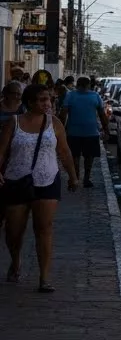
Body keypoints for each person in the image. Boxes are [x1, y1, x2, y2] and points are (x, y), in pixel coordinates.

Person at [0, 84, 79, 292]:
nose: (48, 104)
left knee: (44, 229)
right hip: (16, 181)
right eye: (43, 100)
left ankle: (44, 278)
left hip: (47, 180)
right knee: (14, 231)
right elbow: (1, 151)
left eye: (50, 100)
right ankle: (16, 261)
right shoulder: (13, 123)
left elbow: (64, 151)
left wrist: (73, 177)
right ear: (29, 102)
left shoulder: (55, 124)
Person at [57, 77, 105, 189]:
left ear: (77, 85)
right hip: (90, 132)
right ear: (89, 85)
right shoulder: (95, 96)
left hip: (74, 132)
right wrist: (105, 129)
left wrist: (61, 129)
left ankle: (77, 177)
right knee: (88, 157)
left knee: (75, 156)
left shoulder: (71, 95)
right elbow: (102, 115)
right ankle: (85, 179)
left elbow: (63, 114)